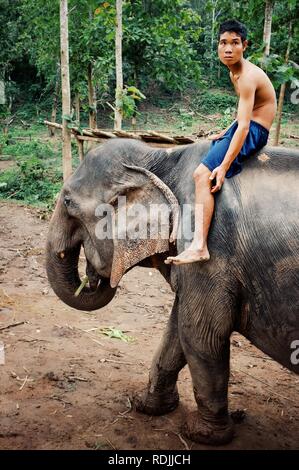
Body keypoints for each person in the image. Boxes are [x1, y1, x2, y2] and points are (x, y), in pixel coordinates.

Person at [165, 19, 277, 266]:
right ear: (218, 46)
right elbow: (242, 116)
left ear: (244, 45)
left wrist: (224, 166)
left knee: (201, 174)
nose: (228, 48)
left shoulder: (247, 76)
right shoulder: (233, 71)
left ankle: (199, 245)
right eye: (223, 43)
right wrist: (226, 132)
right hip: (246, 125)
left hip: (255, 131)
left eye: (234, 43)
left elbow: (247, 126)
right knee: (212, 148)